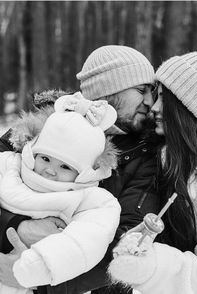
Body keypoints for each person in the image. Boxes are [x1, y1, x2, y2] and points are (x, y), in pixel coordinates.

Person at [0, 45, 161, 294]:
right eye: (142, 90)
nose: (150, 102)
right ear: (110, 88)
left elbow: (128, 243)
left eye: (152, 92)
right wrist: (17, 225)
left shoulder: (144, 155)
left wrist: (35, 278)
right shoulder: (42, 126)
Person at [109, 51, 197, 294]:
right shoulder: (182, 157)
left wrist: (152, 265)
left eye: (165, 98)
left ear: (192, 107)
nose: (154, 107)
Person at [0, 92, 121, 293]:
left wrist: (37, 266)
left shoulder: (91, 200)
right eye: (45, 158)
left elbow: (85, 241)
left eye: (65, 166)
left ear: (83, 174)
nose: (50, 170)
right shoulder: (10, 166)